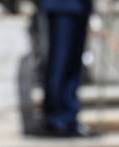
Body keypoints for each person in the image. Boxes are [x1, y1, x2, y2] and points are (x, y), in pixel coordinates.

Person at [40, 0, 95, 138]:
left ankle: (70, 116)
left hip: (80, 5)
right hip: (61, 5)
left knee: (74, 63)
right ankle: (56, 116)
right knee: (60, 60)